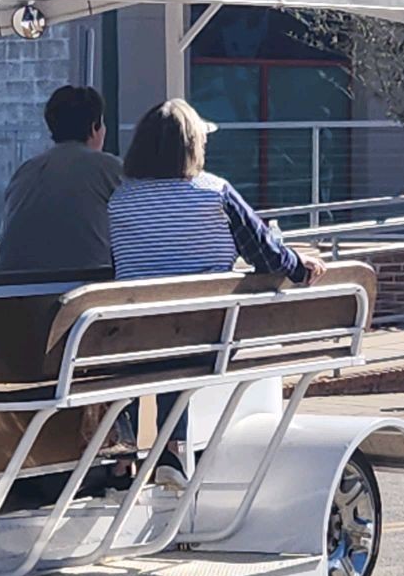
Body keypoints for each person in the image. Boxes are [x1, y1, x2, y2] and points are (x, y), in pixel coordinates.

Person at [107, 98, 325, 486]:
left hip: (132, 339)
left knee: (160, 331)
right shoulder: (214, 193)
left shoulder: (120, 200)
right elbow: (267, 254)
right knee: (183, 332)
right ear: (192, 147)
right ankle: (173, 449)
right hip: (203, 338)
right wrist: (298, 266)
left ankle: (126, 454)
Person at [0, 85, 122, 273]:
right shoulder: (109, 168)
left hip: (9, 288)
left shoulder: (25, 171)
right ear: (94, 127)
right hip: (82, 291)